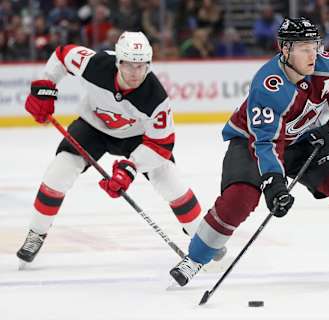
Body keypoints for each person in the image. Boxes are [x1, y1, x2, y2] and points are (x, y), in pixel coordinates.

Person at [169, 17, 329, 286]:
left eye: (315, 45)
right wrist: (274, 183)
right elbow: (266, 143)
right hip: (251, 143)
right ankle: (194, 259)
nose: (313, 54)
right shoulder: (267, 85)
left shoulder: (327, 65)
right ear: (285, 49)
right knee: (240, 198)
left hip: (301, 141)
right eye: (304, 48)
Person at [17, 31, 225, 265]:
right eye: (129, 66)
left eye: (142, 66)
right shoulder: (95, 64)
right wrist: (46, 84)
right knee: (60, 171)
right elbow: (62, 55)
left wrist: (130, 168)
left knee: (170, 181)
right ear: (118, 62)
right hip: (93, 127)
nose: (136, 73)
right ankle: (36, 233)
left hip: (139, 138)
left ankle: (203, 239)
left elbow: (162, 145)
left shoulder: (155, 98)